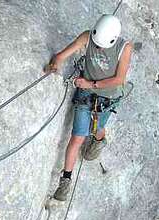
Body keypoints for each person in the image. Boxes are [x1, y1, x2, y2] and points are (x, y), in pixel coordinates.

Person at [47, 14, 133, 201]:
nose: (99, 47)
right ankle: (66, 180)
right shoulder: (88, 36)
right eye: (97, 44)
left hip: (106, 96)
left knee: (97, 129)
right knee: (77, 137)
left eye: (102, 45)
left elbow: (119, 79)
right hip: (86, 94)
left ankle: (99, 141)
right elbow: (63, 54)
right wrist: (55, 62)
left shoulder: (124, 48)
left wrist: (90, 84)